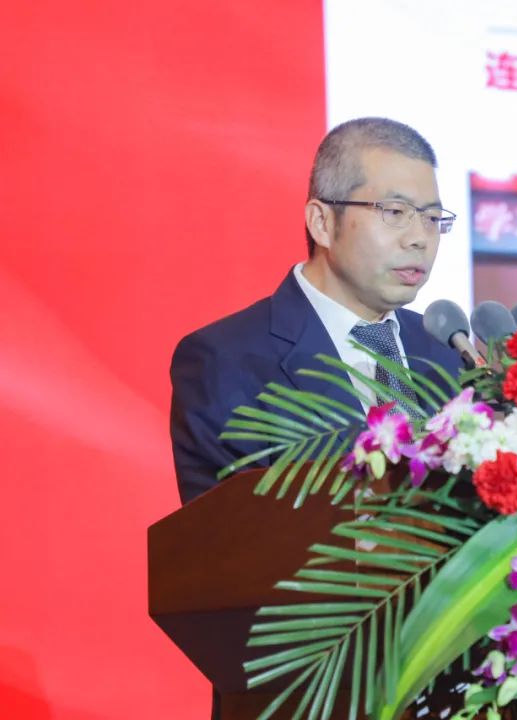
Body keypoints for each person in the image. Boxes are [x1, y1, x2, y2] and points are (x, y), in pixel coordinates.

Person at [169, 117, 463, 505]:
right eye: (395, 212)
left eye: (432, 219)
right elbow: (231, 534)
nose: (419, 239)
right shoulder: (224, 362)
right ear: (322, 223)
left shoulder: (446, 353)